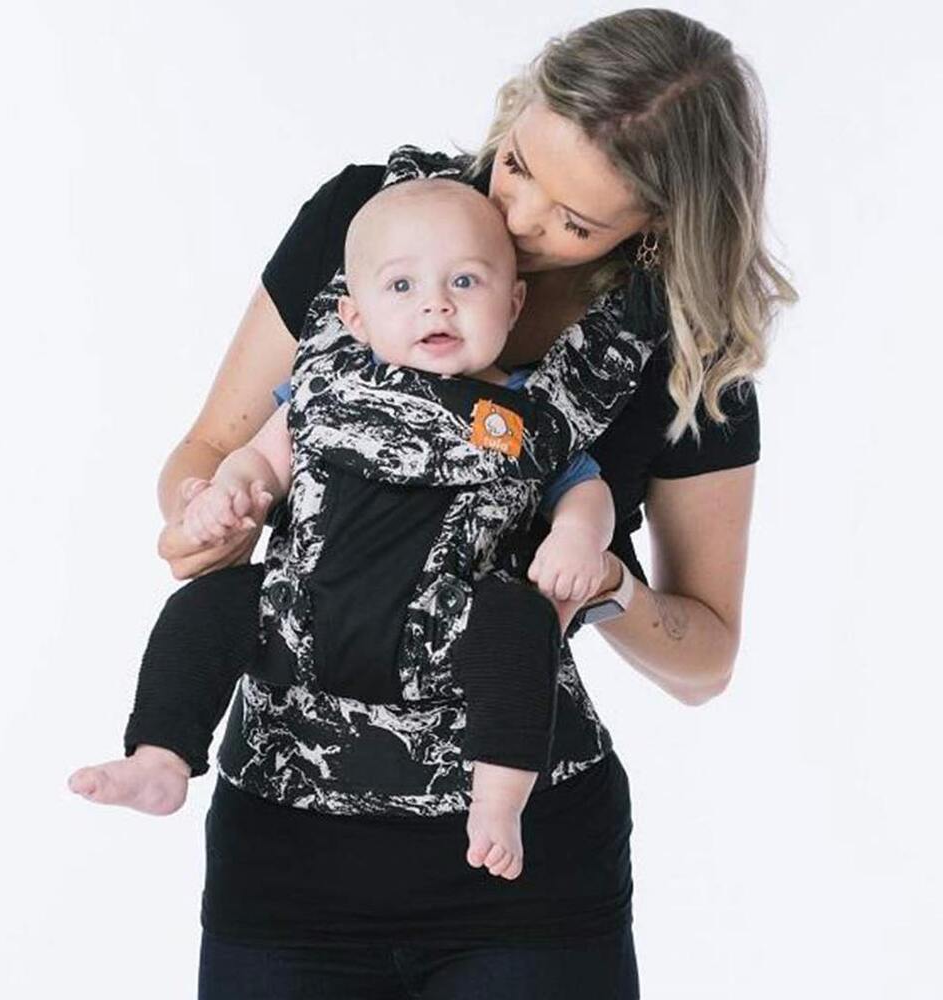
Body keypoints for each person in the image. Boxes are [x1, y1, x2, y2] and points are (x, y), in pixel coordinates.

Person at [115, 9, 799, 997]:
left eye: (573, 222)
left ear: (658, 225)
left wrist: (602, 580)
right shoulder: (375, 221)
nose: (516, 219)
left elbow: (707, 662)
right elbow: (216, 449)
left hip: (529, 867)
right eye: (519, 164)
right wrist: (204, 512)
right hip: (286, 848)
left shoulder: (683, 356)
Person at [69, 175, 630, 882]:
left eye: (465, 281)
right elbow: (259, 459)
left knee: (522, 627)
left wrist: (578, 536)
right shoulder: (324, 388)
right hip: (299, 614)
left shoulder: (525, 418)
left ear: (513, 304)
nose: (436, 303)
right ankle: (161, 757)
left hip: (446, 628)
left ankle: (497, 800)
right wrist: (227, 494)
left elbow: (585, 488)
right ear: (354, 317)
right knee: (205, 607)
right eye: (401, 286)